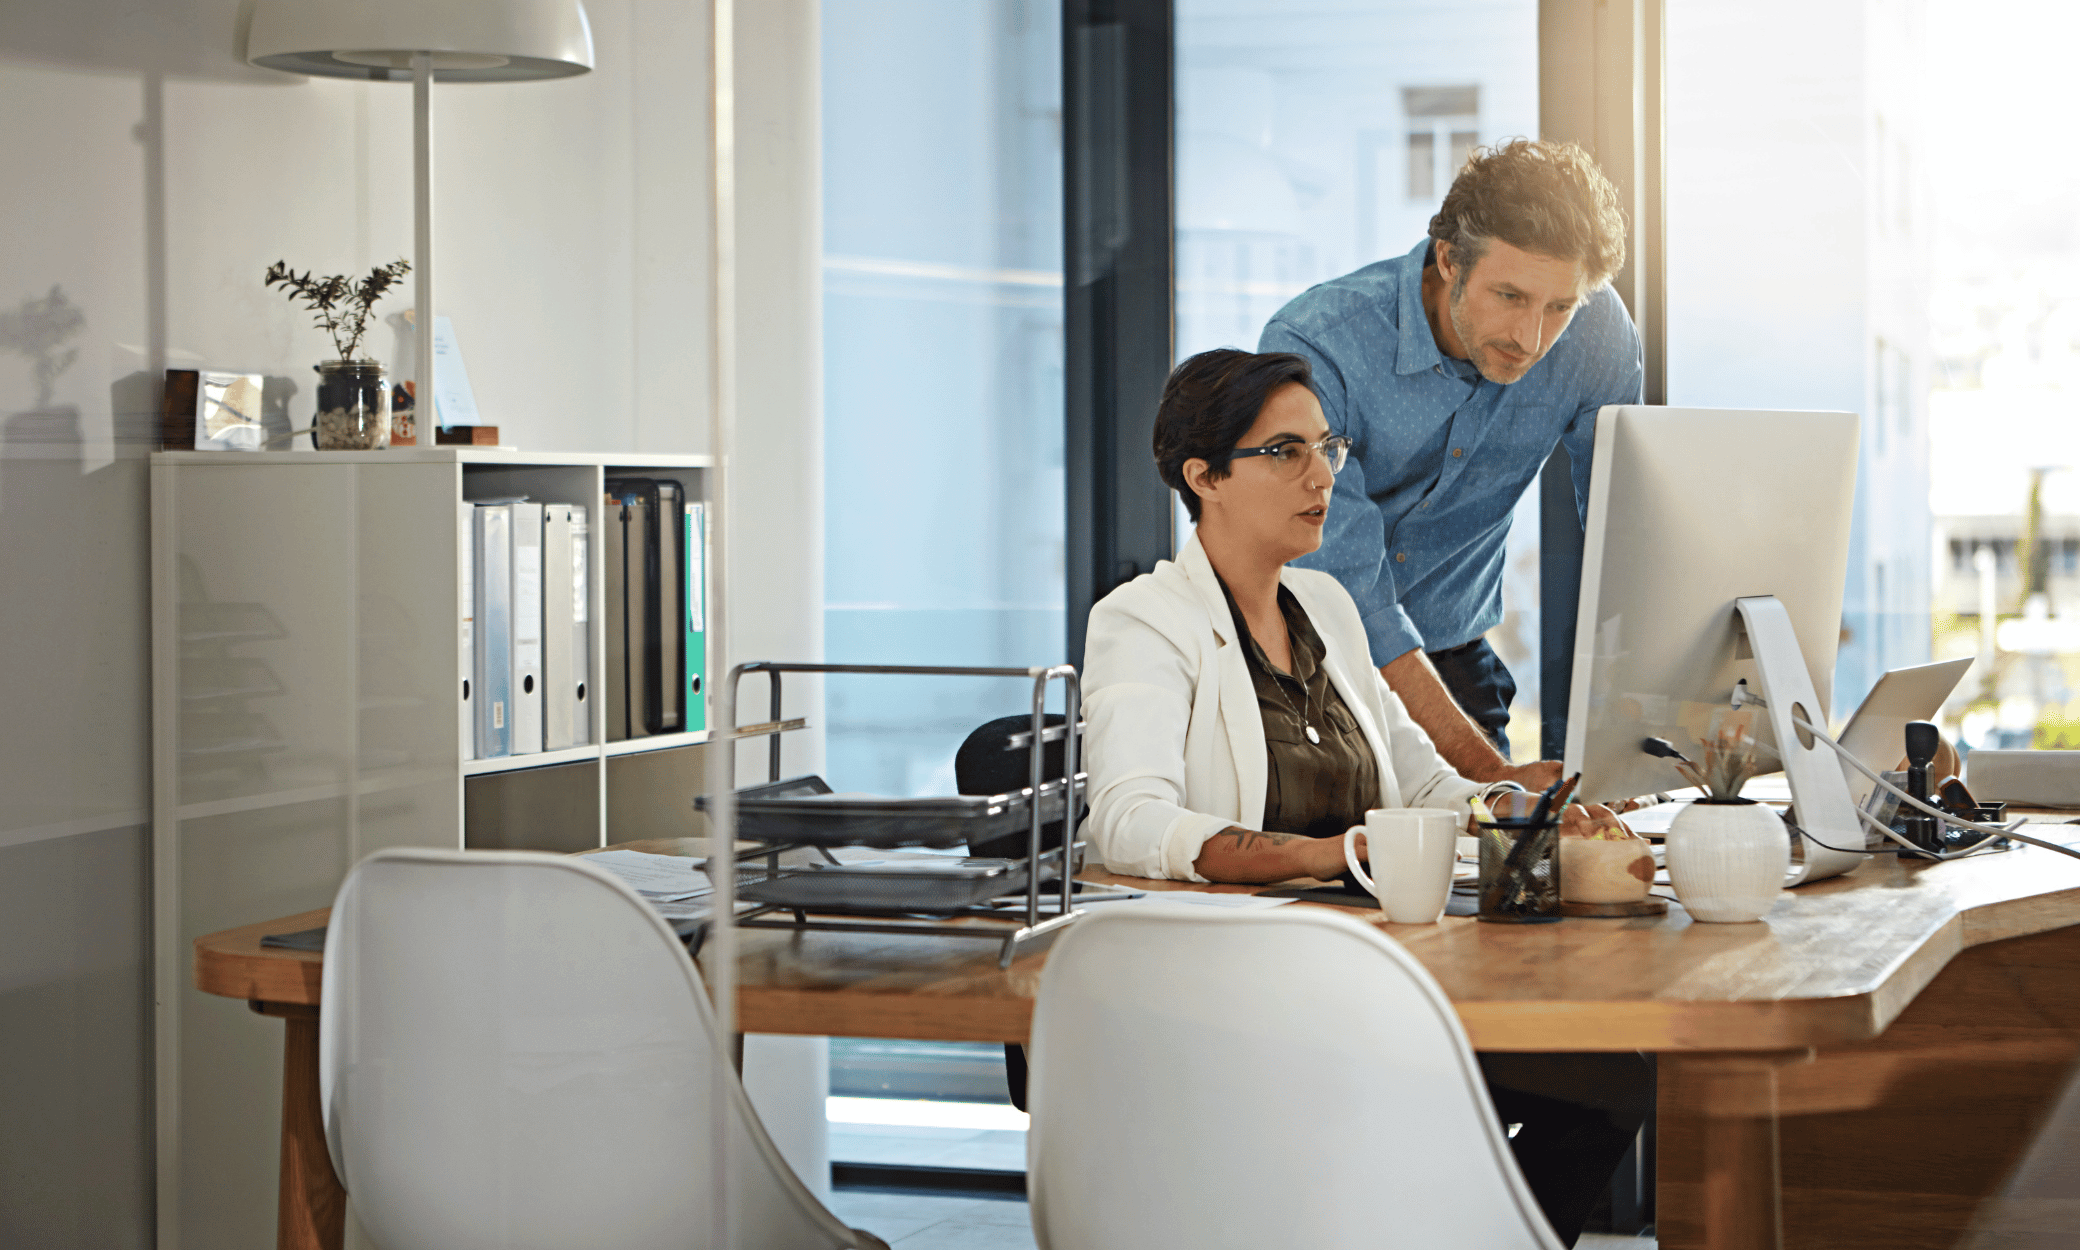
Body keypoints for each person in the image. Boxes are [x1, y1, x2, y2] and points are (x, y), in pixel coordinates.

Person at [1079, 347, 1649, 1246]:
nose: (1322, 476)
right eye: (1285, 452)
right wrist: (1327, 855)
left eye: (1328, 447)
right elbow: (1127, 822)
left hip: (1375, 975)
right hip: (1237, 996)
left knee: (1615, 1076)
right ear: (1205, 477)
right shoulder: (1144, 621)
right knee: (1587, 1084)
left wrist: (1515, 809)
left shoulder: (1329, 607)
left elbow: (1425, 783)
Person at [1262, 138, 1644, 794]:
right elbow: (1349, 591)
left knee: (1495, 873)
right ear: (1448, 260)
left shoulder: (1597, 334)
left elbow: (1628, 534)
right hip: (1303, 667)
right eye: (1510, 296)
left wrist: (1646, 736)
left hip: (1454, 656)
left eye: (1559, 308)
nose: (1532, 339)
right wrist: (1488, 775)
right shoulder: (1319, 343)